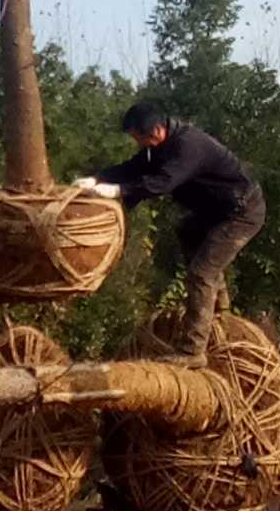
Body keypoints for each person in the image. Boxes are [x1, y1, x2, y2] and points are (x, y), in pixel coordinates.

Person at [98, 100, 265, 358]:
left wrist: (120, 190)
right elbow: (133, 168)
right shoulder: (158, 147)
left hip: (241, 212)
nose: (138, 145)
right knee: (188, 232)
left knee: (201, 273)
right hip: (213, 212)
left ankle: (192, 351)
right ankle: (219, 309)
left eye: (138, 139)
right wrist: (96, 178)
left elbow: (163, 182)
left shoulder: (188, 146)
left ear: (155, 131)